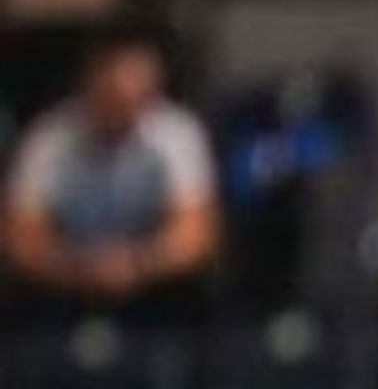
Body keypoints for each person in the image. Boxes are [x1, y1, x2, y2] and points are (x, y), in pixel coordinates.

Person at [4, 24, 218, 312]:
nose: (122, 103)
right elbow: (20, 238)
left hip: (155, 291)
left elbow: (197, 234)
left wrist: (138, 263)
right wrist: (78, 266)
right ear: (89, 82)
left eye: (134, 94)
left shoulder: (178, 132)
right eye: (112, 93)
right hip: (63, 289)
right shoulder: (49, 136)